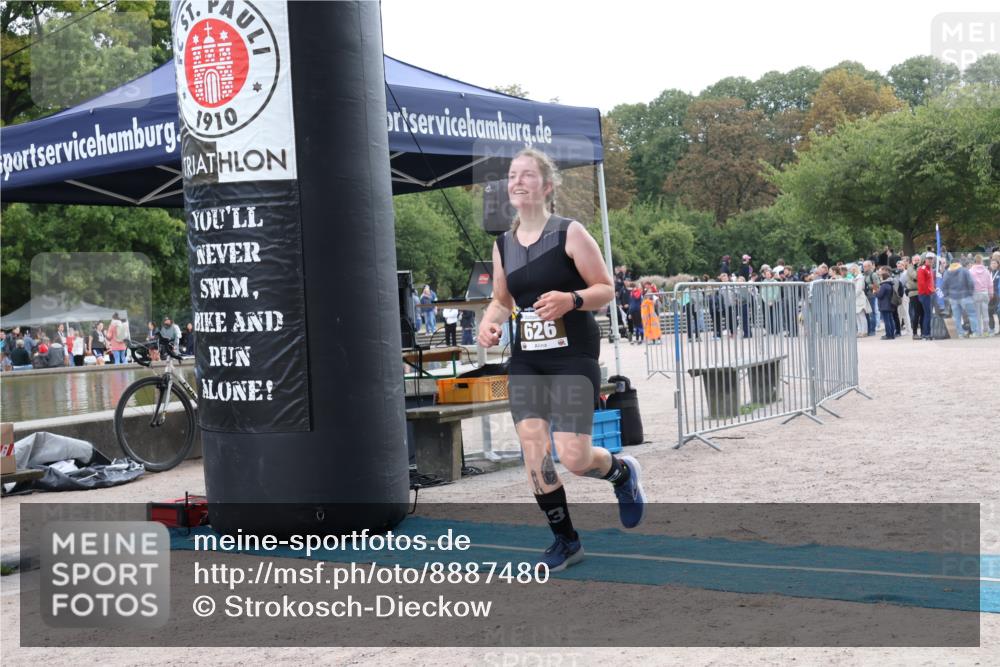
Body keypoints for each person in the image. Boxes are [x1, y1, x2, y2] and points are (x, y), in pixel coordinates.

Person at [477, 148, 645, 573]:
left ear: (547, 186)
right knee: (534, 448)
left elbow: (605, 289)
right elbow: (502, 300)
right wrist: (489, 324)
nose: (517, 181)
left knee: (574, 456)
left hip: (573, 356)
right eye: (512, 175)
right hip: (527, 361)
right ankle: (565, 540)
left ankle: (622, 474)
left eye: (527, 175)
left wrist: (572, 299)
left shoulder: (570, 233)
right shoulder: (502, 245)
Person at [941, 260, 980, 338]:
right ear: (959, 263)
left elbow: (944, 286)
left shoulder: (946, 273)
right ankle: (975, 332)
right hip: (966, 296)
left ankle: (960, 333)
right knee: (972, 315)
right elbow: (970, 282)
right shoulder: (964, 271)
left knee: (956, 317)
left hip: (953, 297)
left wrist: (947, 295)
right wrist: (970, 293)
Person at [969, 255, 994, 337]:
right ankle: (986, 331)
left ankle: (978, 332)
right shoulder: (986, 271)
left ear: (974, 261)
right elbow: (990, 283)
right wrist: (991, 293)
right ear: (982, 261)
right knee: (985, 314)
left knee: (977, 315)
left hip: (975, 293)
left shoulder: (971, 271)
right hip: (985, 293)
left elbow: (969, 284)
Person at [917, 253, 935, 340]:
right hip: (925, 294)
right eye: (929, 259)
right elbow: (922, 283)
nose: (931, 260)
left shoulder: (929, 269)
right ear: (925, 260)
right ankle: (926, 333)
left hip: (928, 294)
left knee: (927, 314)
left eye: (932, 259)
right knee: (928, 314)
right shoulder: (922, 269)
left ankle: (926, 333)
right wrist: (930, 291)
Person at [876, 267, 897, 340]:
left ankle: (888, 335)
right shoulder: (890, 284)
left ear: (883, 277)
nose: (880, 278)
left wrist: (875, 291)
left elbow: (879, 295)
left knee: (887, 321)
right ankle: (892, 334)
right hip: (890, 304)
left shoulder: (883, 285)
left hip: (884, 305)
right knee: (891, 320)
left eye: (880, 277)